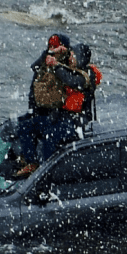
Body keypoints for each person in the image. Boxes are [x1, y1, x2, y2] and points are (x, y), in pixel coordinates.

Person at [14, 34, 98, 177]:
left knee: (49, 136)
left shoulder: (87, 75)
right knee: (25, 126)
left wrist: (56, 65)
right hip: (57, 116)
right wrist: (50, 53)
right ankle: (31, 163)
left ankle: (45, 173)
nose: (71, 58)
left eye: (74, 56)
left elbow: (71, 80)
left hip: (75, 121)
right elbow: (36, 67)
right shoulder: (65, 67)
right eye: (70, 55)